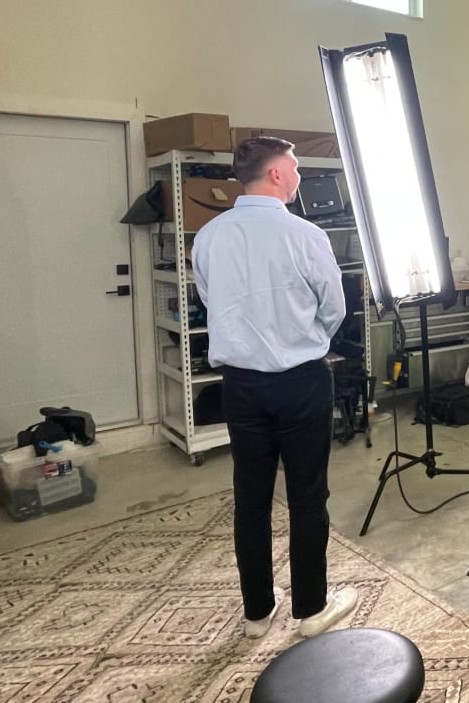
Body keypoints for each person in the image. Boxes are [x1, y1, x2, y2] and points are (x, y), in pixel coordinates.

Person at [192, 137, 357, 638]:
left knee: (251, 495)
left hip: (240, 385)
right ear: (277, 175)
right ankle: (311, 610)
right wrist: (302, 338)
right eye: (296, 167)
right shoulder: (306, 235)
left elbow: (208, 299)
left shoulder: (209, 236)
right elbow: (334, 308)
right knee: (308, 495)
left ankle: (257, 613)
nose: (301, 176)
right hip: (302, 381)